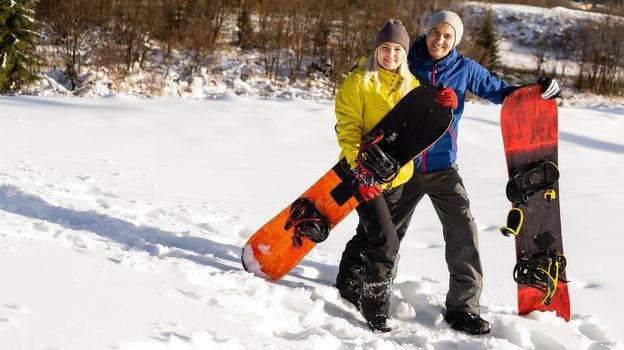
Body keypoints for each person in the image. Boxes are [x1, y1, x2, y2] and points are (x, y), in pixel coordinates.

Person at [389, 10, 562, 335]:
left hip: (443, 167)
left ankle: (463, 308)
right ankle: (374, 289)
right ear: (426, 32)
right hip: (404, 165)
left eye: (448, 36)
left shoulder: (465, 69)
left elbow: (502, 92)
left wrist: (539, 89)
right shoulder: (404, 59)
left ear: (455, 40)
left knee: (464, 235)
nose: (440, 40)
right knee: (387, 234)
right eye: (436, 32)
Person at [333, 19, 455, 332]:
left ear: (404, 53)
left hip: (397, 179)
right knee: (386, 241)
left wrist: (446, 105)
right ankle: (374, 307)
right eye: (385, 48)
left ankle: (347, 279)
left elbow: (422, 128)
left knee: (369, 234)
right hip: (362, 175)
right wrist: (359, 169)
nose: (391, 54)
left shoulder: (410, 85)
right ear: (376, 50)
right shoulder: (358, 83)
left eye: (398, 49)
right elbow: (347, 130)